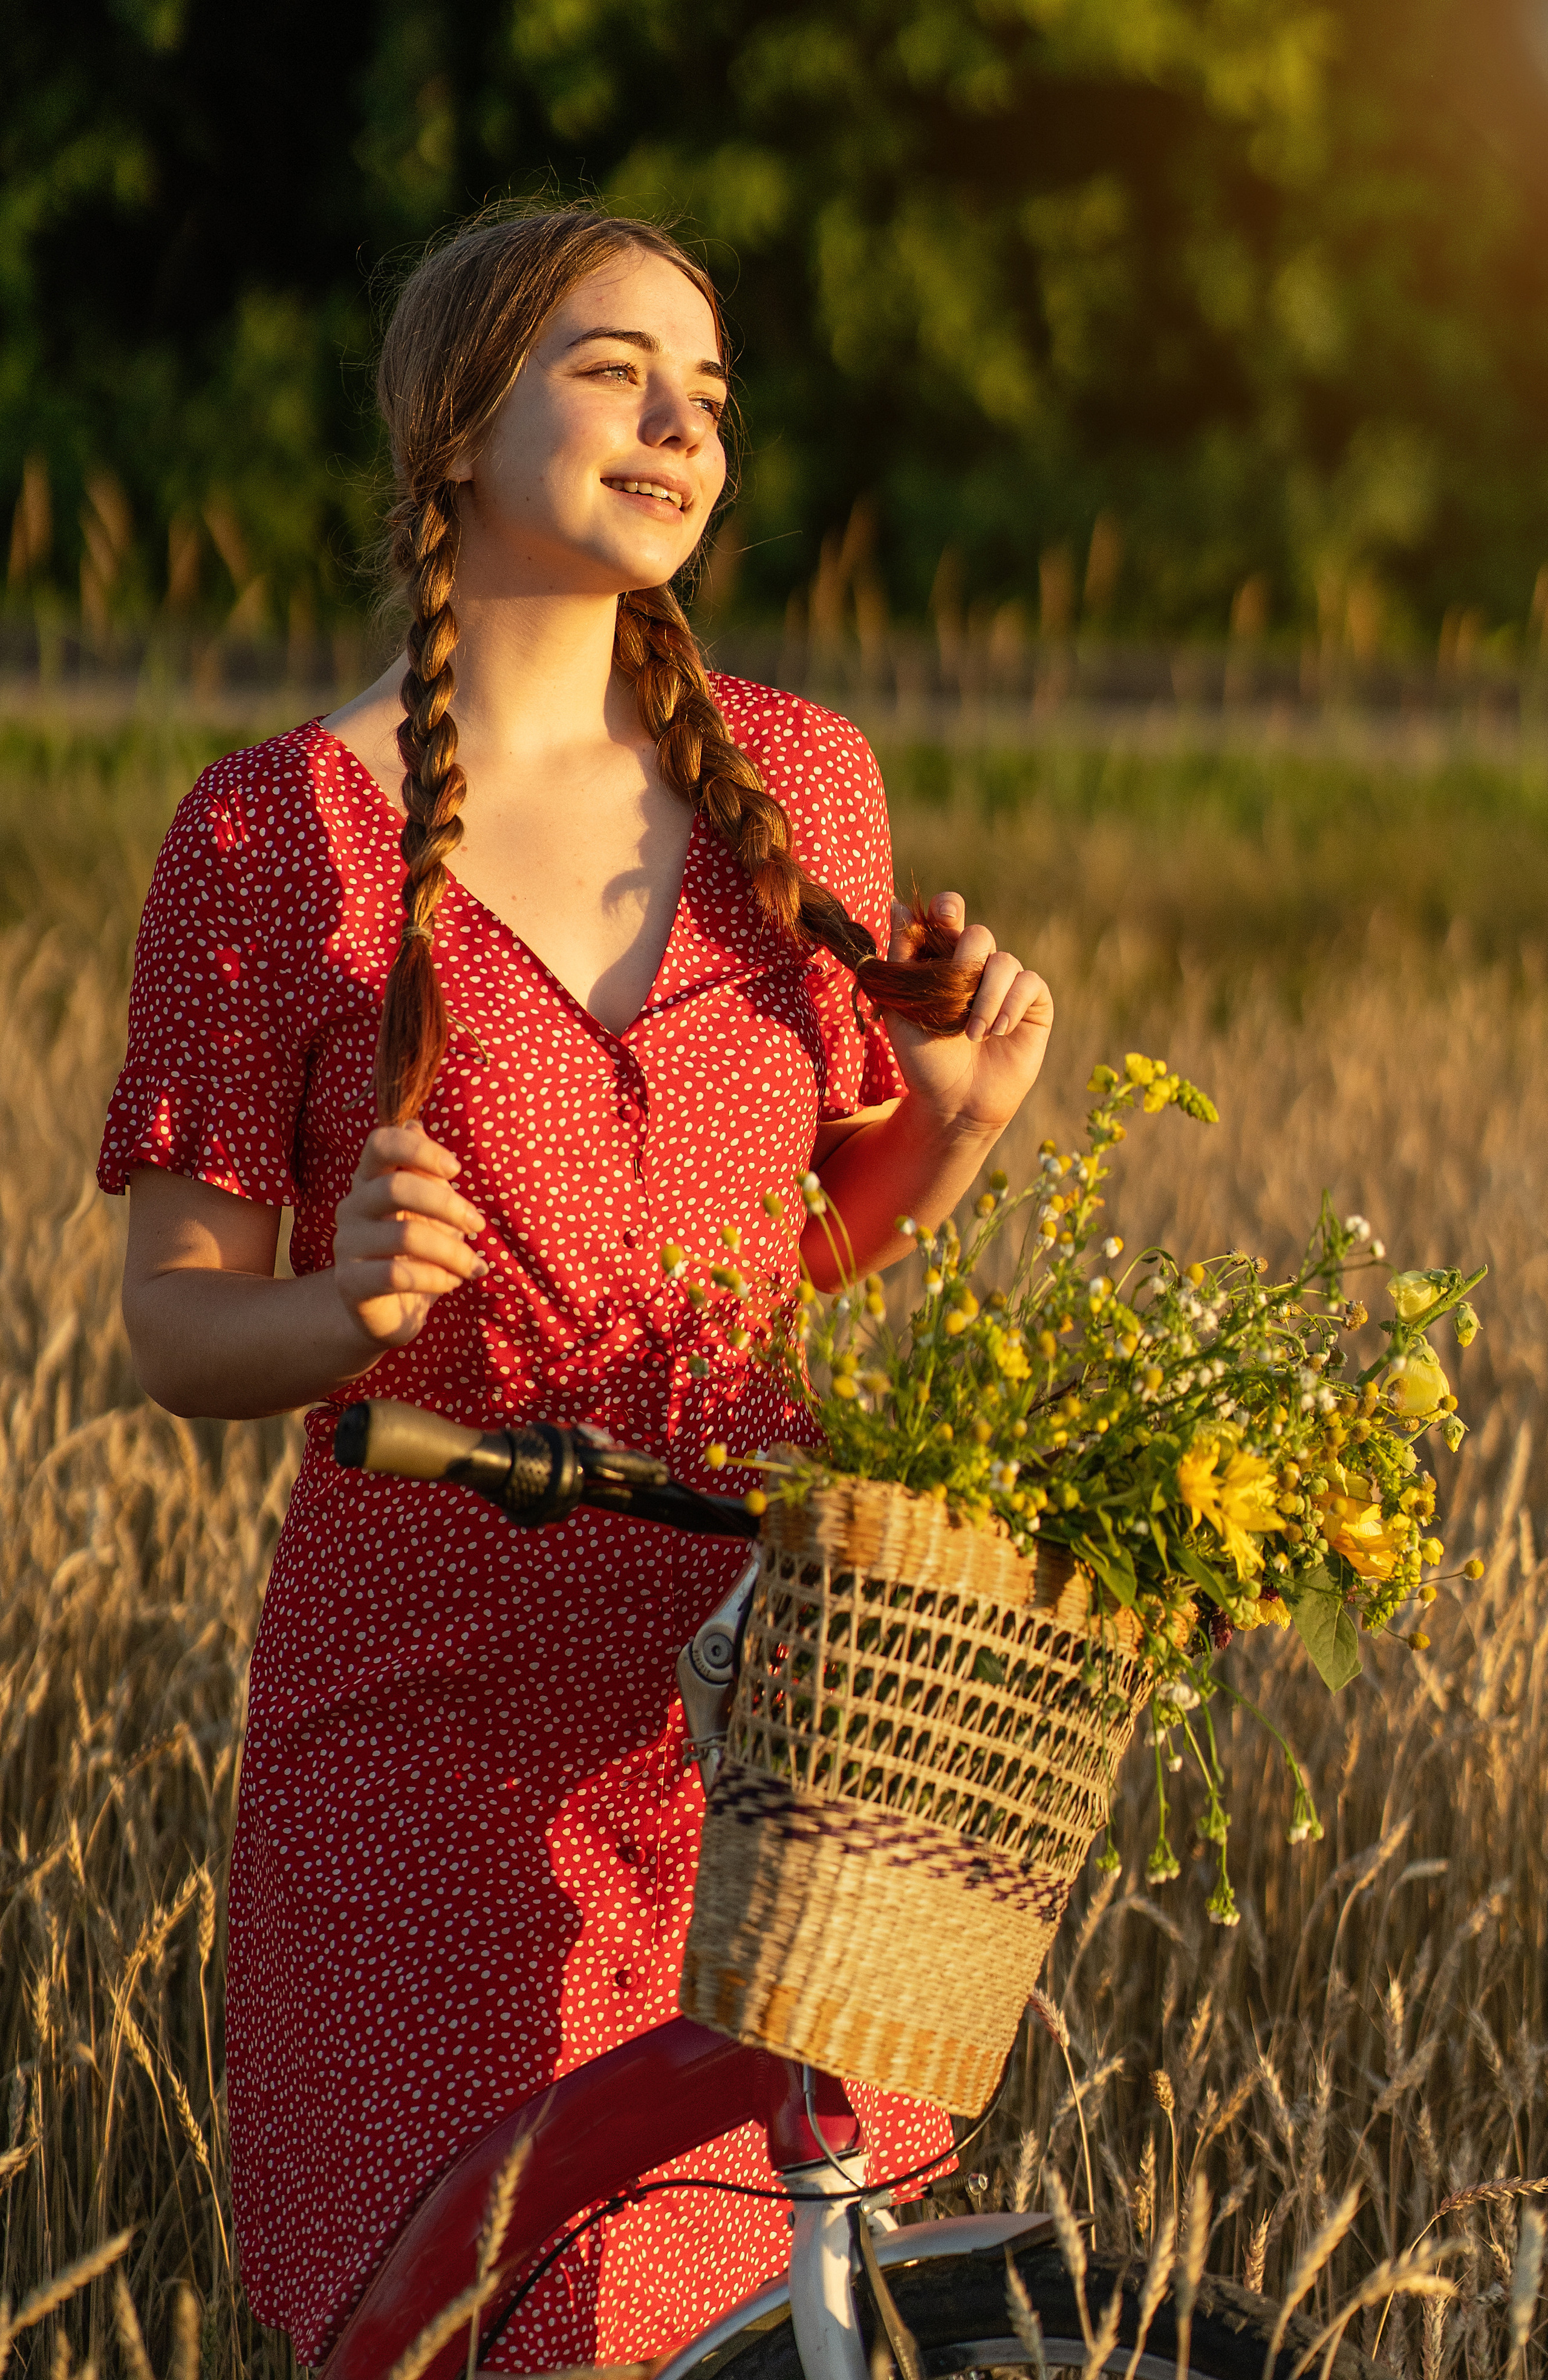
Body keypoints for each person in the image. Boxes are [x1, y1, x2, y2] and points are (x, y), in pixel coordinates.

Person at [99, 205, 1054, 2370]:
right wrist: (343, 1307)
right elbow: (175, 1329)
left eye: (708, 394)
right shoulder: (275, 835)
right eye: (619, 370)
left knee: (772, 2328)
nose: (681, 424)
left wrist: (960, 1120)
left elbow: (779, 1272)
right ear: (460, 415)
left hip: (763, 1717)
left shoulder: (803, 787)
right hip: (421, 1756)